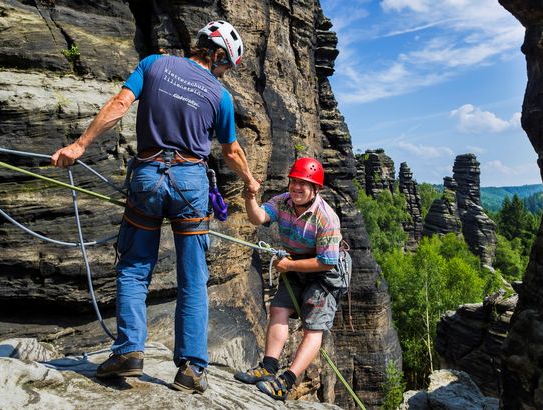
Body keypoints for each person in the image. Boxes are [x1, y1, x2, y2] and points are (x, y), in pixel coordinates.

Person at [51, 20, 260, 394]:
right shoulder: (221, 96)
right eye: (227, 64)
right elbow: (231, 151)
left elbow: (119, 104)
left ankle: (130, 350)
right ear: (215, 55)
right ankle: (192, 370)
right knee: (193, 278)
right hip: (191, 184)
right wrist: (249, 180)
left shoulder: (152, 64)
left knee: (134, 268)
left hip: (148, 176)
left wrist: (79, 146)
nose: (226, 72)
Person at [234, 157, 343, 401]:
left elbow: (327, 261)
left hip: (323, 274)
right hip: (294, 265)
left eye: (303, 184)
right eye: (294, 181)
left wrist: (290, 265)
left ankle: (286, 381)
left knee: (313, 327)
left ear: (315, 189)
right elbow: (259, 217)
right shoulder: (282, 202)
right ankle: (268, 368)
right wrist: (250, 197)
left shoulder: (326, 218)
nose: (296, 187)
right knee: (278, 310)